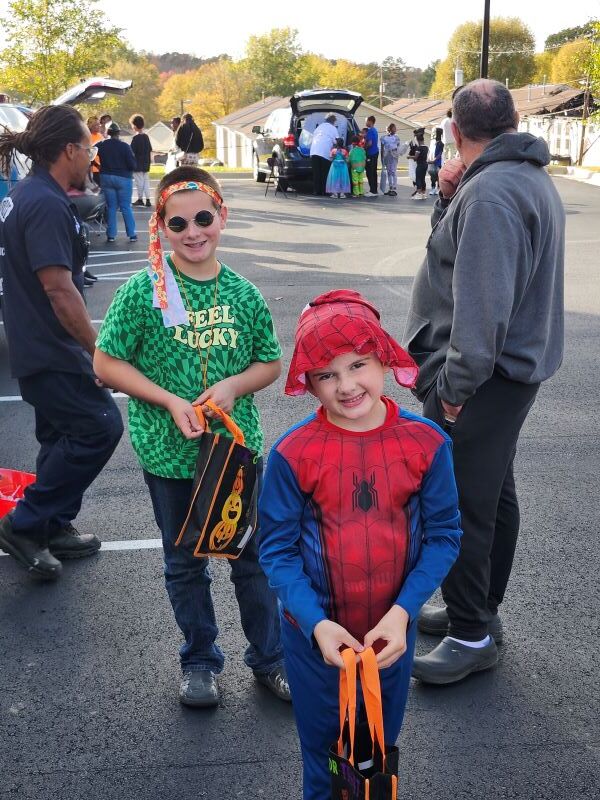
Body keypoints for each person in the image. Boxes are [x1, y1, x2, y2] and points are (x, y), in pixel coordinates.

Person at [93, 166, 290, 708]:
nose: (193, 231)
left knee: (250, 559)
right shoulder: (144, 292)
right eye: (177, 223)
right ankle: (200, 660)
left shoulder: (243, 294)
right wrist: (169, 400)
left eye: (203, 218)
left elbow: (269, 363)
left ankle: (270, 658)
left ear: (222, 216)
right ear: (160, 226)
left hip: (234, 454)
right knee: (184, 562)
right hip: (169, 456)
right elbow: (106, 362)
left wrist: (231, 386)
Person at [259, 289, 461, 800]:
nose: (346, 386)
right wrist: (316, 623)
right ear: (308, 380)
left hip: (388, 639)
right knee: (324, 757)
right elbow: (277, 551)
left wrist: (403, 613)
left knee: (375, 754)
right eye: (326, 374)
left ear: (385, 359)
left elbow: (443, 536)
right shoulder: (291, 454)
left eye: (358, 365)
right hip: (314, 641)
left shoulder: (428, 443)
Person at [403, 78, 565, 684]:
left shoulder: (493, 193)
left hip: (483, 377)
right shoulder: (513, 177)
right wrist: (449, 193)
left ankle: (472, 632)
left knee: (464, 504)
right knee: (493, 495)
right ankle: (480, 612)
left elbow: (482, 310)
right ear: (513, 120)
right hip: (505, 374)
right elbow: (454, 257)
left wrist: (451, 392)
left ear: (452, 128)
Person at [0, 105, 123, 579]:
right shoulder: (46, 203)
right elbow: (58, 288)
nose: (91, 157)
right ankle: (26, 523)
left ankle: (53, 524)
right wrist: (98, 350)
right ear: (69, 150)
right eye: (87, 148)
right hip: (51, 348)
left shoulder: (26, 194)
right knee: (99, 427)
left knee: (59, 434)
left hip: (36, 346)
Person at [96, 122, 137, 243]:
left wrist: (98, 166)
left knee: (111, 207)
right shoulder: (124, 146)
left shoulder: (101, 145)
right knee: (125, 206)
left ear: (107, 133)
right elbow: (132, 164)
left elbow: (90, 153)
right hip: (123, 178)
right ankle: (131, 234)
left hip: (106, 177)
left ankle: (111, 235)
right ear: (118, 133)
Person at [309, 114, 338, 196]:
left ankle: (316, 191)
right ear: (333, 121)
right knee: (325, 172)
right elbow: (337, 141)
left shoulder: (319, 127)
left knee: (316, 172)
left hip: (314, 151)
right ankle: (324, 191)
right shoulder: (333, 128)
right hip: (325, 152)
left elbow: (313, 137)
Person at [129, 114, 153, 207]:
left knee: (139, 182)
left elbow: (132, 152)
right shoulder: (146, 137)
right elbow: (149, 149)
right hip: (146, 163)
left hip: (137, 164)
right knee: (146, 181)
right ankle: (148, 199)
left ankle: (140, 199)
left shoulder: (135, 138)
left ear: (134, 125)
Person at [379, 122, 401, 196]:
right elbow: (382, 148)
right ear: (390, 129)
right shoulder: (384, 137)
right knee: (389, 171)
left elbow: (397, 146)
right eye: (394, 128)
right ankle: (390, 187)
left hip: (394, 155)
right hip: (387, 155)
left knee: (393, 171)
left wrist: (396, 153)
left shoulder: (396, 137)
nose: (395, 129)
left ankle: (394, 188)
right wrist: (382, 157)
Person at [408, 129, 429, 200]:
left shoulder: (419, 148)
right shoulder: (426, 148)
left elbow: (415, 157)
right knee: (423, 178)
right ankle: (423, 193)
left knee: (418, 178)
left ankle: (419, 193)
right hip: (425, 164)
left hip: (420, 165)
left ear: (418, 140)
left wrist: (409, 157)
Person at [364, 115, 379, 197]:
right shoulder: (375, 130)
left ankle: (372, 191)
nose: (366, 123)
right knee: (374, 172)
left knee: (370, 172)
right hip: (375, 153)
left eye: (366, 121)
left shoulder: (370, 131)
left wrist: (364, 148)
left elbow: (369, 143)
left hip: (371, 154)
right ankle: (374, 190)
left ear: (370, 121)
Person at [87, 116, 103, 186]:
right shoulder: (87, 136)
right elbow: (88, 154)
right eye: (96, 125)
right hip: (91, 170)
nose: (99, 126)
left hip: (100, 169)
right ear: (91, 126)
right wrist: (96, 165)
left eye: (99, 124)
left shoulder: (100, 136)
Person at [427, 127, 444, 195]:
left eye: (435, 133)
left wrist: (435, 159)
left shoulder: (441, 143)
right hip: (432, 161)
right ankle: (433, 188)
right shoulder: (433, 142)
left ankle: (438, 188)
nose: (433, 135)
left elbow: (440, 153)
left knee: (438, 175)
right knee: (432, 174)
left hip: (438, 161)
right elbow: (431, 151)